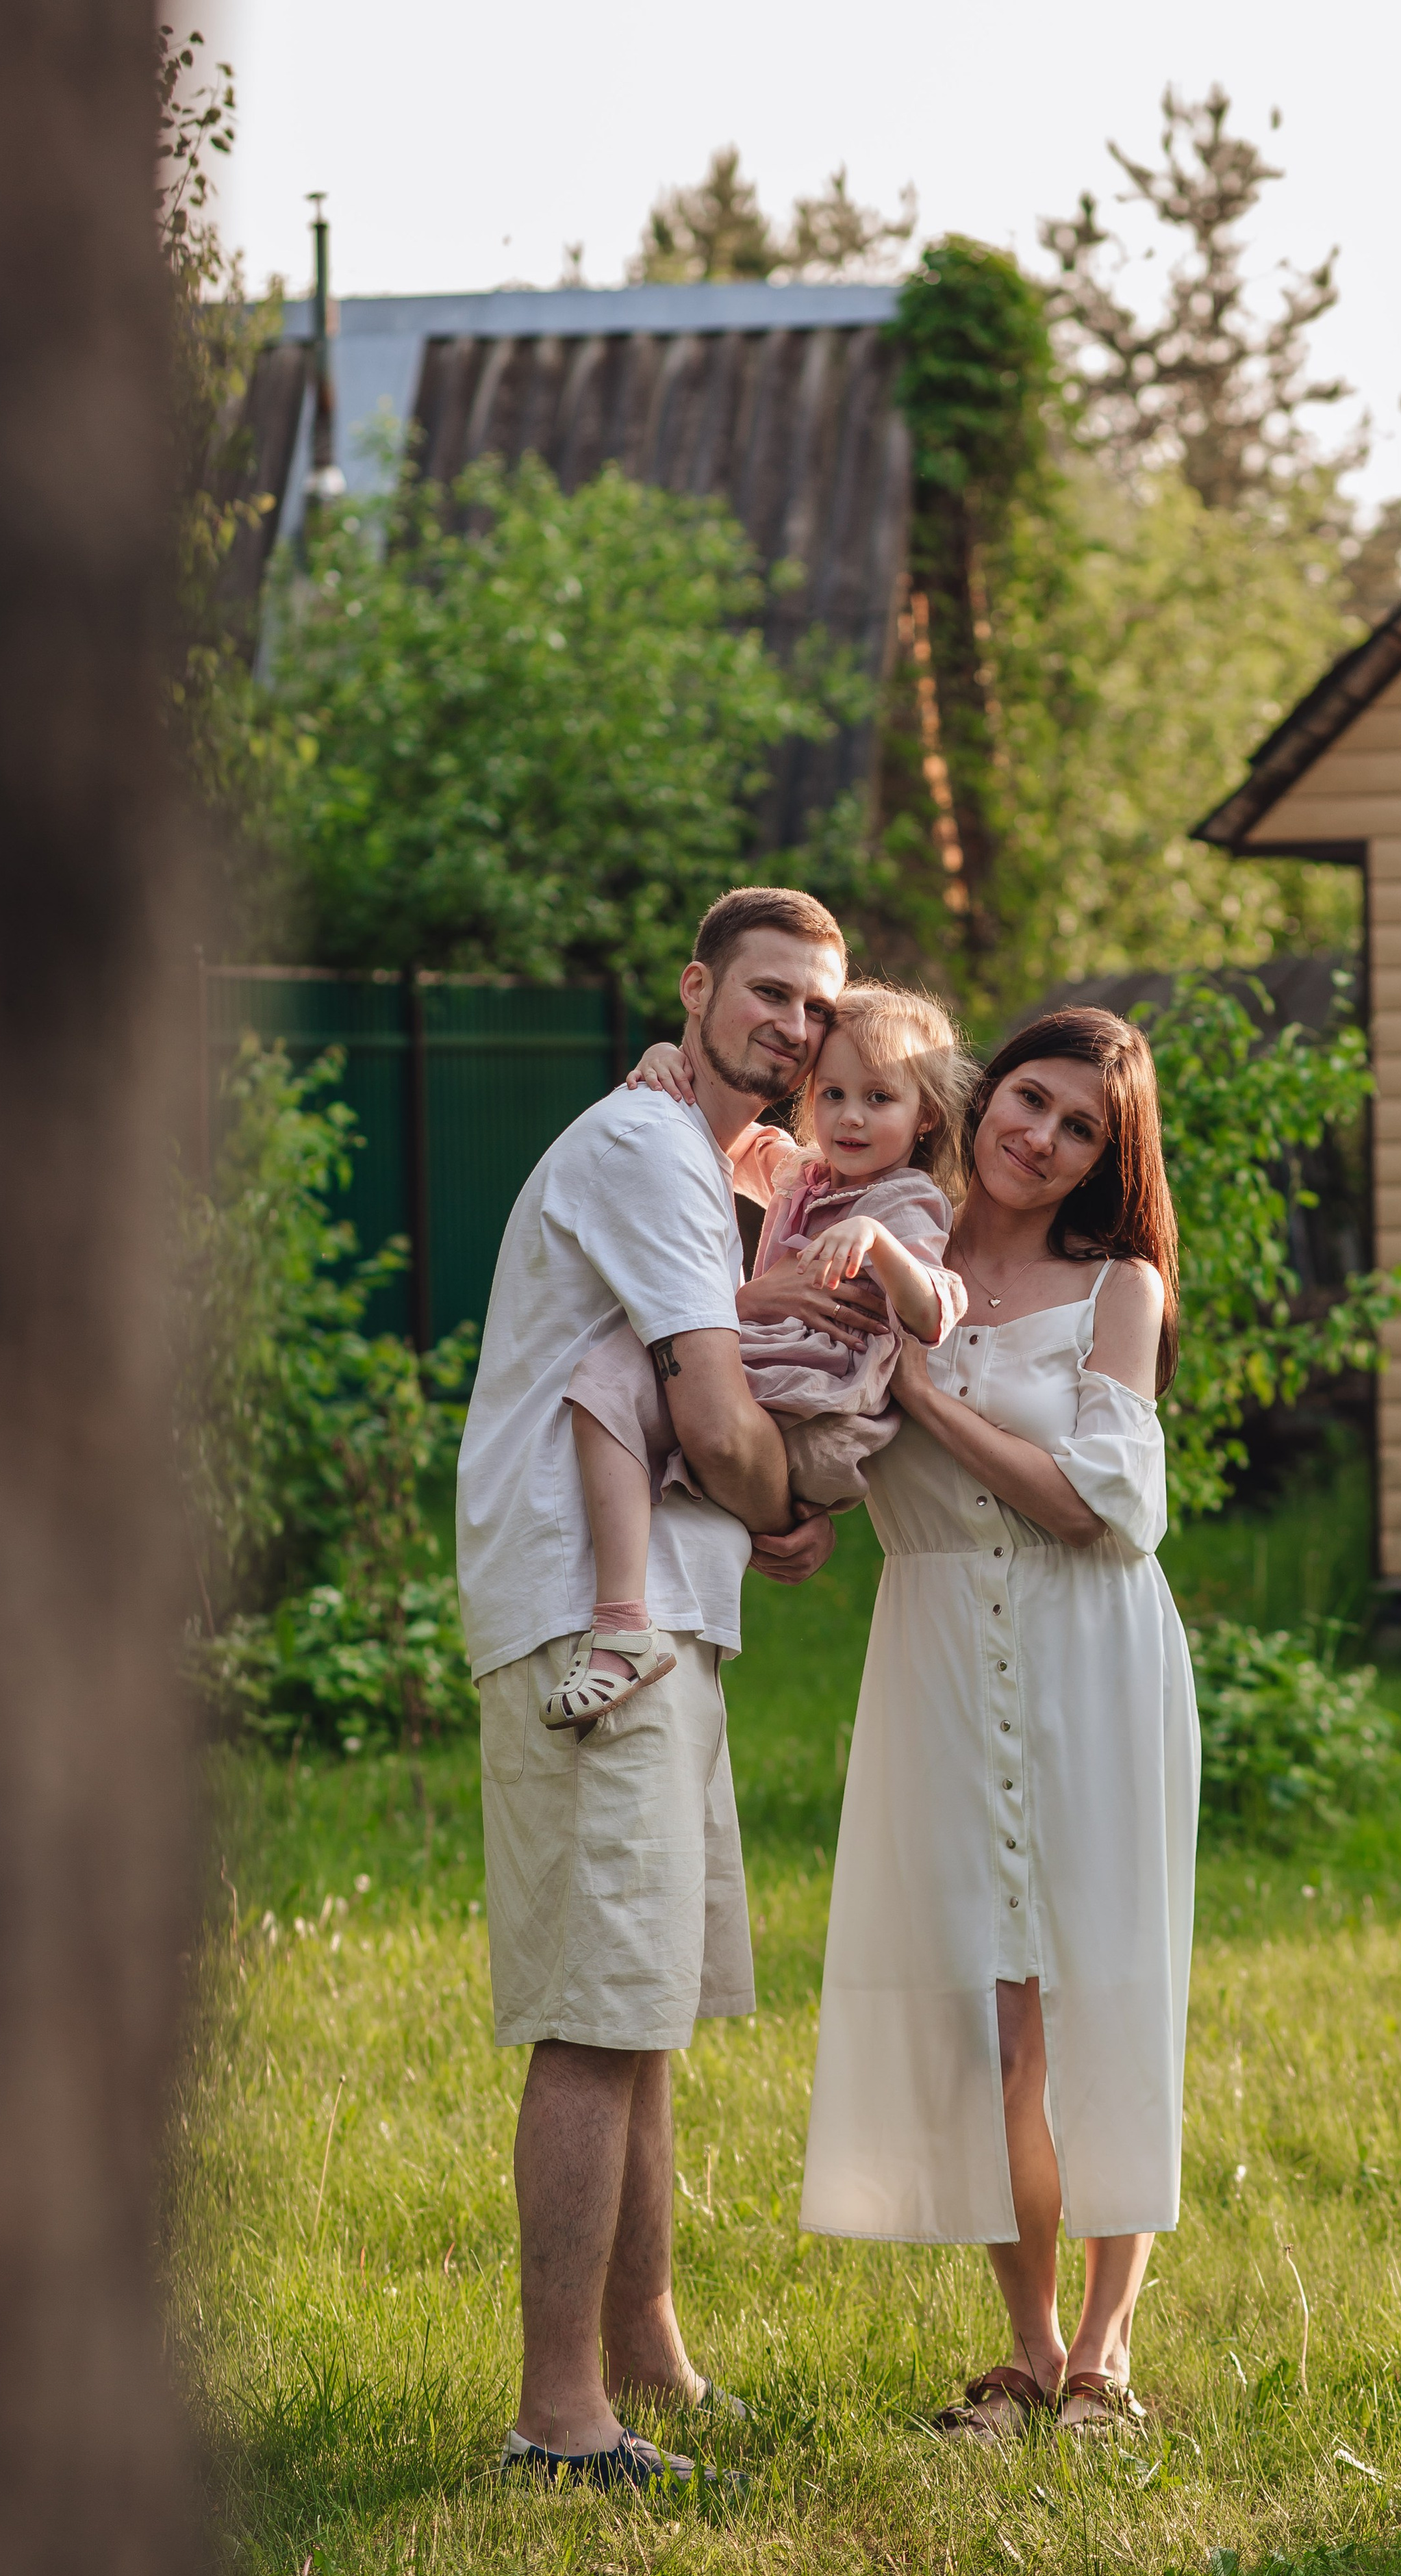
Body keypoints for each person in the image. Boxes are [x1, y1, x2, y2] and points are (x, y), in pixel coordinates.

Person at [455, 886, 861, 2492]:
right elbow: (706, 1404)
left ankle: (646, 2354)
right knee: (591, 2008)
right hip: (585, 1620)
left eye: (817, 1009)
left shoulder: (704, 1154)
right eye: (767, 995)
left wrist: (758, 1495)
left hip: (667, 1623)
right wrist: (785, 1501)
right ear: (698, 990)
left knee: (646, 2015)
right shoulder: (639, 1151)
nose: (794, 1027)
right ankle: (558, 2417)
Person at [796, 1007, 1200, 2440]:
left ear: (1106, 1155)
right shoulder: (881, 1242)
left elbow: (1093, 1503)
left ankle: (1103, 2359)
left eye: (1080, 1126)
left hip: (1090, 1650)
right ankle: (1023, 2353)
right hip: (937, 1659)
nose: (1040, 1136)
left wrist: (916, 1388)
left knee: (1100, 1994)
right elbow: (799, 1411)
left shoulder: (1117, 1291)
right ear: (982, 1094)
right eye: (1030, 1099)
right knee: (989, 2018)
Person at [546, 985, 974, 1731]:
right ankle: (622, 1622)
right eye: (832, 1093)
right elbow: (722, 1135)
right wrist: (663, 1064)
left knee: (638, 1384)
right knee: (607, 1379)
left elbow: (936, 1308)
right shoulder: (802, 1176)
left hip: (819, 1411)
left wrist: (878, 1244)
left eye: (879, 1098)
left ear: (925, 1114)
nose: (850, 1117)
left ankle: (635, 1613)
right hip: (757, 1386)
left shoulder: (906, 1203)